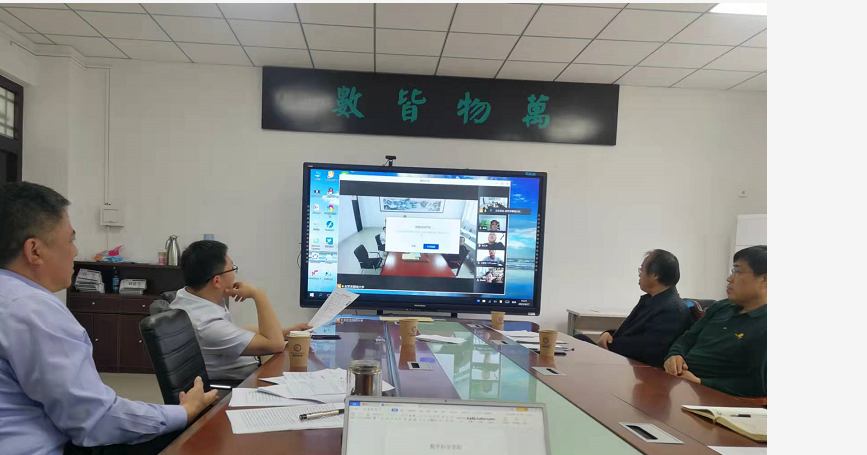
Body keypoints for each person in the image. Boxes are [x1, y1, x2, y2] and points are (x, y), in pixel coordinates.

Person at [0, 182, 217, 455]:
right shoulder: (33, 309)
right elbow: (95, 420)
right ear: (35, 250)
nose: (75, 252)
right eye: (70, 240)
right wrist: (184, 412)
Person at [170, 241, 311, 382]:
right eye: (232, 268)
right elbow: (276, 345)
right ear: (217, 281)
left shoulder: (189, 296)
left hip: (249, 373)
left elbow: (234, 331)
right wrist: (258, 295)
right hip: (242, 384)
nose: (234, 274)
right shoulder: (206, 324)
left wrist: (285, 333)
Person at [663, 246, 767, 398]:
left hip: (715, 398)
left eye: (737, 272)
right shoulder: (722, 306)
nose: (729, 278)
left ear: (765, 279)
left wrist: (701, 382)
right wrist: (674, 355)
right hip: (679, 384)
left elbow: (758, 386)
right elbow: (687, 338)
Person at [583, 250, 691, 367]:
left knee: (578, 346)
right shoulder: (651, 300)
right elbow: (630, 333)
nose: (639, 274)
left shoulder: (672, 310)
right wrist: (608, 334)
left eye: (642, 270)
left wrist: (609, 344)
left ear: (655, 275)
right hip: (620, 358)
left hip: (633, 367)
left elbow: (646, 349)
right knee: (578, 341)